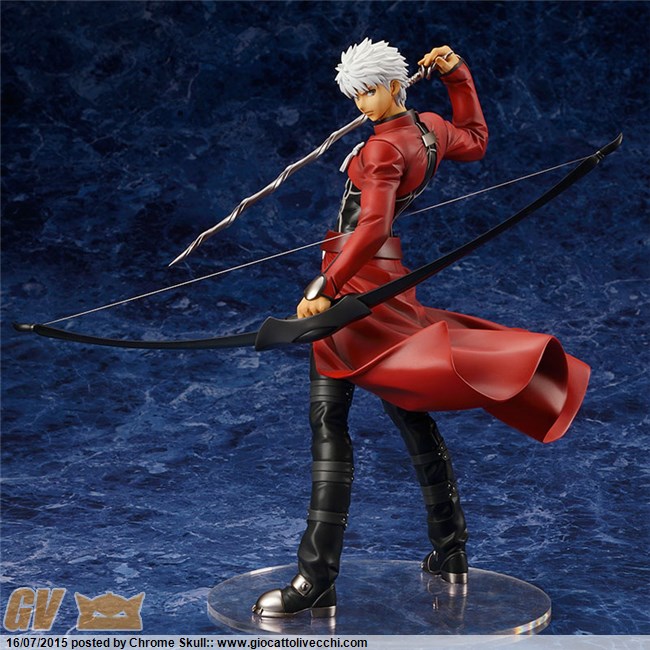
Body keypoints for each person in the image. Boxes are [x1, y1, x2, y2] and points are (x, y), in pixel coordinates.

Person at [252, 39, 589, 619]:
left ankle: (315, 579)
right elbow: (475, 139)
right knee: (407, 406)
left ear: (393, 84)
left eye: (369, 91)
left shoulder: (383, 148)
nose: (362, 104)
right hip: (387, 283)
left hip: (356, 288)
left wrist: (326, 284)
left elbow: (373, 224)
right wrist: (459, 75)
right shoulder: (428, 128)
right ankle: (451, 549)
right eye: (355, 95)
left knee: (329, 422)